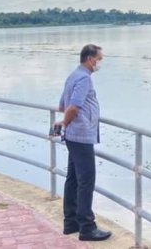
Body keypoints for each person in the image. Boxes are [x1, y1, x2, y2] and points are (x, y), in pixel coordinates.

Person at [53, 44, 112, 241]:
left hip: (72, 135)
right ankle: (87, 227)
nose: (99, 63)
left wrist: (66, 122)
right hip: (81, 135)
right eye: (99, 59)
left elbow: (62, 104)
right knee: (86, 181)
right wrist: (66, 121)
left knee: (73, 179)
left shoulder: (72, 76)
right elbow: (73, 106)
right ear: (89, 59)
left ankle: (71, 223)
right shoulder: (84, 78)